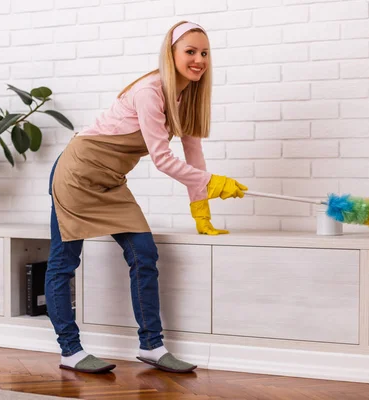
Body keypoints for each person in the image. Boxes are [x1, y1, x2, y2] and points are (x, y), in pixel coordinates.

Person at [46, 21, 248, 374]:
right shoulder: (150, 91)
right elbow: (163, 159)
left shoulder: (188, 97)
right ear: (171, 54)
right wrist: (213, 182)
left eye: (204, 53)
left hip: (111, 180)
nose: (199, 59)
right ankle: (70, 350)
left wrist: (202, 212)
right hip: (77, 173)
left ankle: (152, 345)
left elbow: (193, 156)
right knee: (64, 262)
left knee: (144, 253)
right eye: (190, 52)